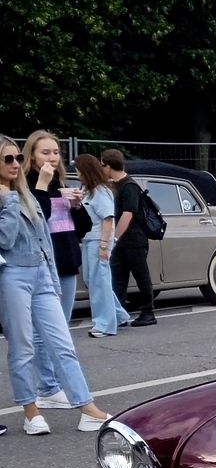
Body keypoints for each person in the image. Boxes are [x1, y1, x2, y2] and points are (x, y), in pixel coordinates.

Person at [0, 134, 111, 434]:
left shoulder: (25, 190)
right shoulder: (11, 194)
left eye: (17, 158)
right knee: (22, 347)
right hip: (13, 275)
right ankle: (30, 410)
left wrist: (50, 276)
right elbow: (6, 239)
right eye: (8, 159)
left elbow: (42, 235)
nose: (15, 164)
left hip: (43, 272)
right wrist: (10, 197)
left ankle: (86, 406)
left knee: (63, 344)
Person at [23, 131, 83, 409]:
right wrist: (44, 187)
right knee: (41, 331)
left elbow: (81, 228)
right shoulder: (26, 183)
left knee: (62, 329)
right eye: (44, 152)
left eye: (55, 152)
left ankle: (55, 385)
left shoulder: (61, 181)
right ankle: (47, 387)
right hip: (42, 264)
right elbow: (35, 219)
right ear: (31, 155)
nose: (51, 157)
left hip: (67, 260)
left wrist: (78, 206)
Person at [74, 154, 130, 337]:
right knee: (94, 280)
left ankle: (104, 324)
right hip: (90, 240)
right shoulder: (88, 189)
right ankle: (118, 315)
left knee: (99, 281)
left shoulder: (100, 190)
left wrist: (104, 246)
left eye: (78, 169)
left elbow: (108, 219)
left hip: (98, 240)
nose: (76, 172)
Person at [101, 149, 156, 327]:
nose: (101, 169)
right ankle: (119, 314)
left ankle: (148, 312)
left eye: (102, 165)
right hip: (122, 242)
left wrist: (113, 238)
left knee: (141, 276)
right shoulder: (114, 185)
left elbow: (127, 215)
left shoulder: (129, 186)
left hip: (134, 240)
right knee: (117, 277)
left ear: (108, 166)